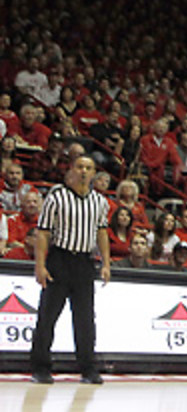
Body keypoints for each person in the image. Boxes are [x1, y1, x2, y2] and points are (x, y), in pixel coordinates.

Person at [30, 155, 111, 385]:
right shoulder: (56, 197)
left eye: (88, 168)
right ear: (71, 170)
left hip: (85, 263)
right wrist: (40, 265)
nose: (84, 171)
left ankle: (88, 368)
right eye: (80, 167)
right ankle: (40, 368)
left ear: (93, 172)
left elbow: (102, 232)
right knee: (48, 316)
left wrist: (106, 263)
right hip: (60, 259)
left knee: (85, 319)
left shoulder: (99, 201)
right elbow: (43, 232)